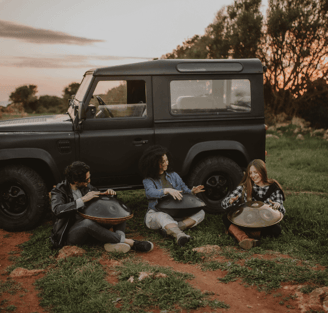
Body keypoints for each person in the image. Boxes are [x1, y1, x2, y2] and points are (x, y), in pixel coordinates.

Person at [50, 161, 153, 253]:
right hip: (71, 233)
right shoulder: (59, 191)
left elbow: (96, 198)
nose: (89, 181)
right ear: (76, 181)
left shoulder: (86, 186)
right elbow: (57, 210)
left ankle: (117, 241)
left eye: (89, 177)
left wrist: (106, 195)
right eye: (87, 179)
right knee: (87, 223)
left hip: (91, 228)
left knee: (119, 212)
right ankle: (131, 243)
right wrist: (83, 200)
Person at [139, 145, 205, 247]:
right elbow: (150, 193)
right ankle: (180, 235)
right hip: (156, 214)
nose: (167, 163)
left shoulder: (174, 175)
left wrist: (192, 191)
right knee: (163, 216)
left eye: (167, 160)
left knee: (201, 213)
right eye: (163, 162)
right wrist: (166, 190)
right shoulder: (148, 180)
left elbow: (185, 190)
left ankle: (173, 228)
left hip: (176, 214)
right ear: (154, 164)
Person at [221, 159, 286, 250]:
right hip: (246, 222)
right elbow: (223, 205)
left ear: (263, 171)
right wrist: (230, 201)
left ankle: (238, 232)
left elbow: (281, 212)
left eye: (255, 172)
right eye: (250, 173)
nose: (253, 176)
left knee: (276, 230)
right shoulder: (245, 186)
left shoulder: (274, 187)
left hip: (264, 223)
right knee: (226, 218)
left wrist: (277, 205)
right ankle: (245, 239)